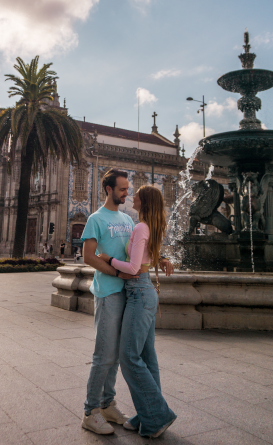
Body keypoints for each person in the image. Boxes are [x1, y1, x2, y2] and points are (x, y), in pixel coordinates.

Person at [81, 168, 173, 436]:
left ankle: (107, 403)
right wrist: (117, 272)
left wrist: (161, 258)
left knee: (120, 357)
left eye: (128, 189)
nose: (127, 192)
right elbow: (89, 256)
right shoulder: (95, 219)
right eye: (122, 188)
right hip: (109, 292)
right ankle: (90, 411)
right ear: (109, 189)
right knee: (104, 355)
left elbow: (141, 251)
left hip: (130, 293)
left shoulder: (129, 219)